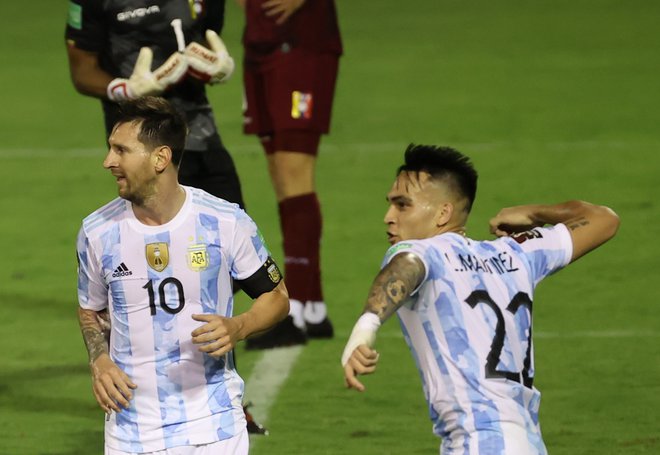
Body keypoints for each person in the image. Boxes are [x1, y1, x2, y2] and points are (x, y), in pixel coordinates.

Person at [341, 144, 620, 454]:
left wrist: (366, 326)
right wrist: (533, 213)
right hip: (528, 443)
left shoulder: (424, 251)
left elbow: (406, 267)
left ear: (443, 213)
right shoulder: (516, 253)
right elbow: (603, 219)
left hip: (480, 442)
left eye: (402, 205)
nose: (388, 217)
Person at [76, 97, 289, 454]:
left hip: (214, 424)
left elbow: (277, 296)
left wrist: (239, 326)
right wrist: (99, 360)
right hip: (131, 433)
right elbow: (90, 310)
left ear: (160, 158)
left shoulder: (224, 223)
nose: (108, 162)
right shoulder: (97, 233)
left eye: (121, 150)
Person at [65, 0, 244, 208]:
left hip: (201, 136)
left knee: (231, 226)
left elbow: (203, 40)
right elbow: (83, 71)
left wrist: (211, 66)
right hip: (140, 143)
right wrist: (127, 89)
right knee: (159, 235)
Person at [238, 0, 343, 348]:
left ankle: (294, 306)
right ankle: (311, 306)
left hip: (301, 45)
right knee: (281, 177)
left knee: (294, 172)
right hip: (260, 42)